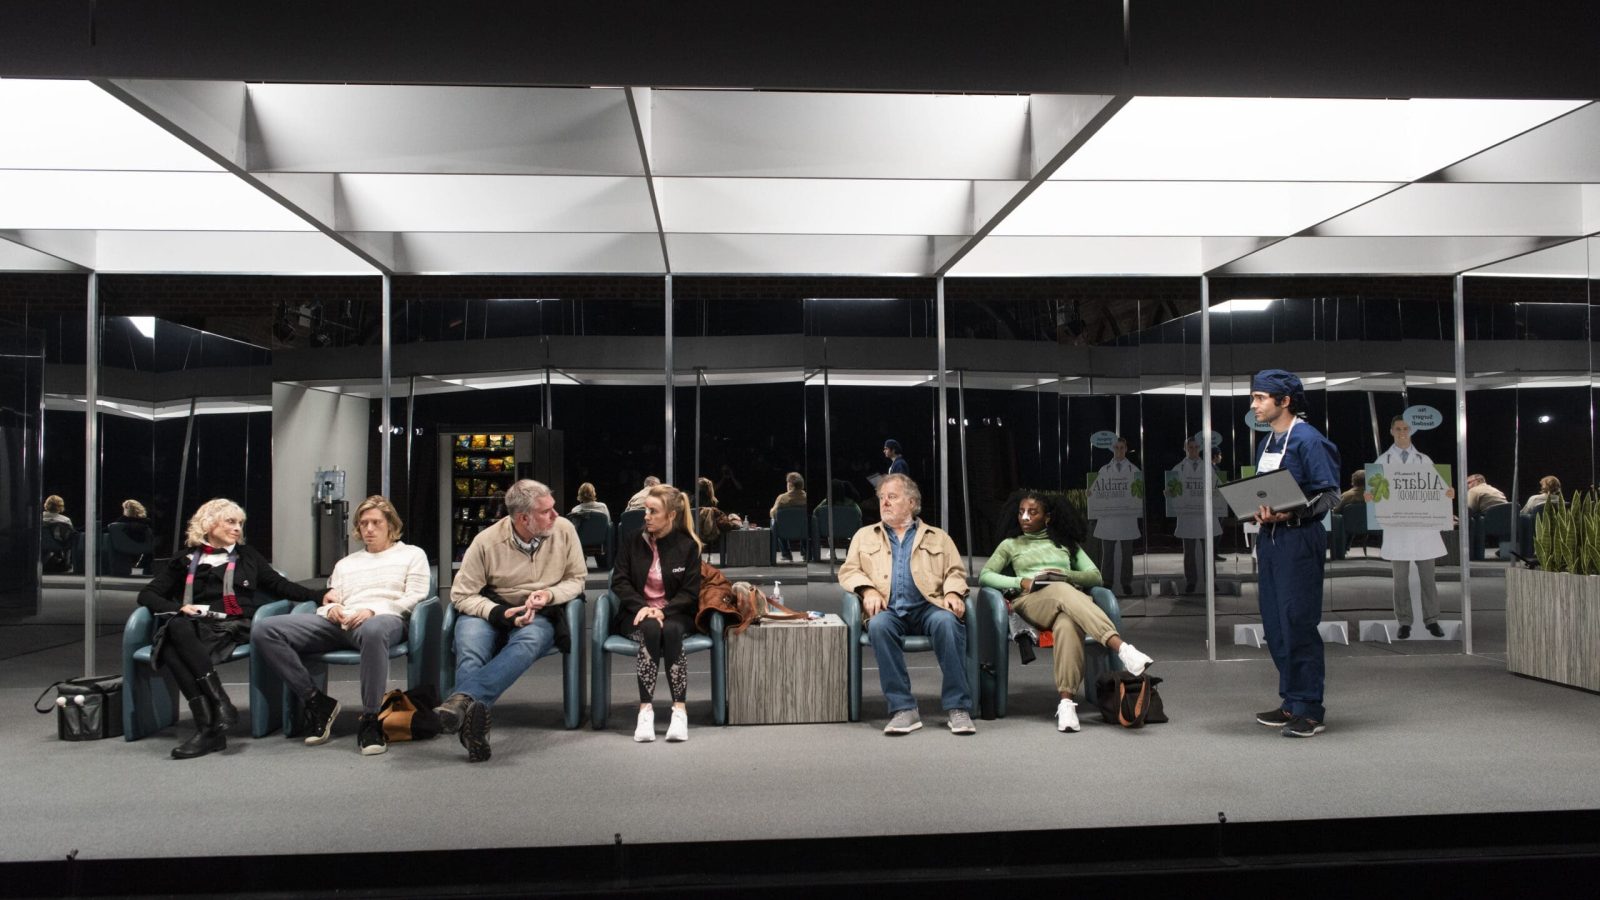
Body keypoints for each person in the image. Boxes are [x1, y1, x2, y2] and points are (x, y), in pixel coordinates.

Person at [136, 498, 330, 759]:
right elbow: (148, 594)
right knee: (177, 629)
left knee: (171, 641)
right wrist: (180, 607)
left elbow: (280, 585)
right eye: (230, 521)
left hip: (234, 624)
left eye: (240, 523)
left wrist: (319, 596)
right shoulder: (184, 560)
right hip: (195, 625)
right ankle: (217, 712)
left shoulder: (247, 556)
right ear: (209, 523)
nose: (238, 528)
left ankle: (209, 725)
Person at [253, 496, 430, 755]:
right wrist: (331, 609)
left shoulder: (412, 555)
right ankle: (316, 702)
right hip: (340, 622)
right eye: (363, 523)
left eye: (376, 523)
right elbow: (331, 598)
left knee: (373, 630)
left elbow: (415, 597)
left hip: (384, 618)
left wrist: (372, 610)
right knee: (265, 629)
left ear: (390, 524)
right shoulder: (346, 564)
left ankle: (371, 718)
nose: (369, 529)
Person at [434, 479, 586, 763]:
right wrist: (496, 613)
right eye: (546, 511)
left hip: (539, 611)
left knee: (528, 641)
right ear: (523, 518)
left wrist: (548, 594)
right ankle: (474, 729)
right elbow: (462, 595)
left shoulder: (564, 530)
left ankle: (461, 704)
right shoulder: (486, 541)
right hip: (490, 608)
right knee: (469, 646)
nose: (555, 515)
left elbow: (576, 580)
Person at [978, 491, 1153, 732]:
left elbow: (1095, 576)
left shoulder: (1065, 544)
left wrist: (1065, 575)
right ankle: (1123, 649)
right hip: (1030, 602)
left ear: (1047, 518)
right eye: (1021, 512)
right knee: (1061, 590)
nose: (1025, 518)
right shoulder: (1011, 544)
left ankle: (1067, 704)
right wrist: (1022, 582)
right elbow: (985, 576)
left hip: (1067, 603)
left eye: (1032, 512)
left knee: (1067, 624)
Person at [838, 473, 976, 736]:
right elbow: (849, 571)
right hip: (887, 609)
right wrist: (866, 589)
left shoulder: (939, 537)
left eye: (892, 497)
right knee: (878, 626)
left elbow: (955, 573)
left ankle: (958, 707)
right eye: (882, 498)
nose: (885, 503)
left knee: (948, 622)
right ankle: (903, 709)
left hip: (928, 607)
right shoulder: (864, 536)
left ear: (912, 502)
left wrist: (954, 592)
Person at [1248, 370, 1340, 739]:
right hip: (1270, 540)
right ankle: (1291, 701)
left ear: (1284, 401)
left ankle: (1309, 708)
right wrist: (1257, 509)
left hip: (1299, 539)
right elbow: (1264, 490)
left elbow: (1330, 494)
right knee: (1275, 625)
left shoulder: (1309, 440)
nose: (1253, 405)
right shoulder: (1267, 442)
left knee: (1298, 621)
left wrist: (1293, 512)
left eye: (1260, 398)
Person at [613, 484, 703, 743]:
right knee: (650, 628)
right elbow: (620, 581)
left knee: (672, 629)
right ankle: (645, 710)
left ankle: (679, 710)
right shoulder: (632, 540)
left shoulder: (688, 546)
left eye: (653, 511)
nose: (646, 516)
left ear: (671, 515)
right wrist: (642, 607)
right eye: (646, 510)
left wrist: (664, 611)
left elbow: (690, 592)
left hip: (676, 612)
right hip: (636, 612)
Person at [1369, 416, 1454, 640]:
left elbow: (1437, 489)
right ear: (1391, 431)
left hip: (1423, 529)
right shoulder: (1382, 461)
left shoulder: (1424, 460)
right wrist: (1370, 496)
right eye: (1398, 428)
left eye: (1406, 428)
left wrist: (1448, 494)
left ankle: (1432, 619)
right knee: (1400, 580)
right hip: (1398, 529)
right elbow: (1375, 495)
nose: (1402, 432)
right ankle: (1404, 621)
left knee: (1428, 578)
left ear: (1411, 431)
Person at [1170, 438, 1222, 594]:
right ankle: (1191, 581)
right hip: (1188, 516)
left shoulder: (1209, 468)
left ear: (1199, 448)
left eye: (1195, 447)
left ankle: (1211, 581)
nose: (1192, 450)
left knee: (1208, 552)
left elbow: (1218, 487)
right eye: (1189, 447)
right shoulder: (1177, 468)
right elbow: (1172, 490)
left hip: (1205, 515)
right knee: (1189, 553)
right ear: (1185, 448)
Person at [1092, 436, 1141, 596]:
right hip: (1109, 519)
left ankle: (1126, 583)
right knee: (1108, 553)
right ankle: (1107, 582)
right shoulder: (1103, 470)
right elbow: (1096, 492)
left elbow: (1138, 495)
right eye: (1116, 448)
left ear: (1126, 449)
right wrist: (1090, 494)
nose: (1119, 451)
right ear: (1113, 449)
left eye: (1122, 448)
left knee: (1127, 554)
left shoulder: (1134, 471)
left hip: (1126, 518)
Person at [769, 472, 808, 560]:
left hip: (784, 531)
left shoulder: (782, 498)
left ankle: (786, 553)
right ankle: (806, 552)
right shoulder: (806, 498)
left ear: (790, 484)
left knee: (774, 522)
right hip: (803, 530)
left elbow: (773, 513)